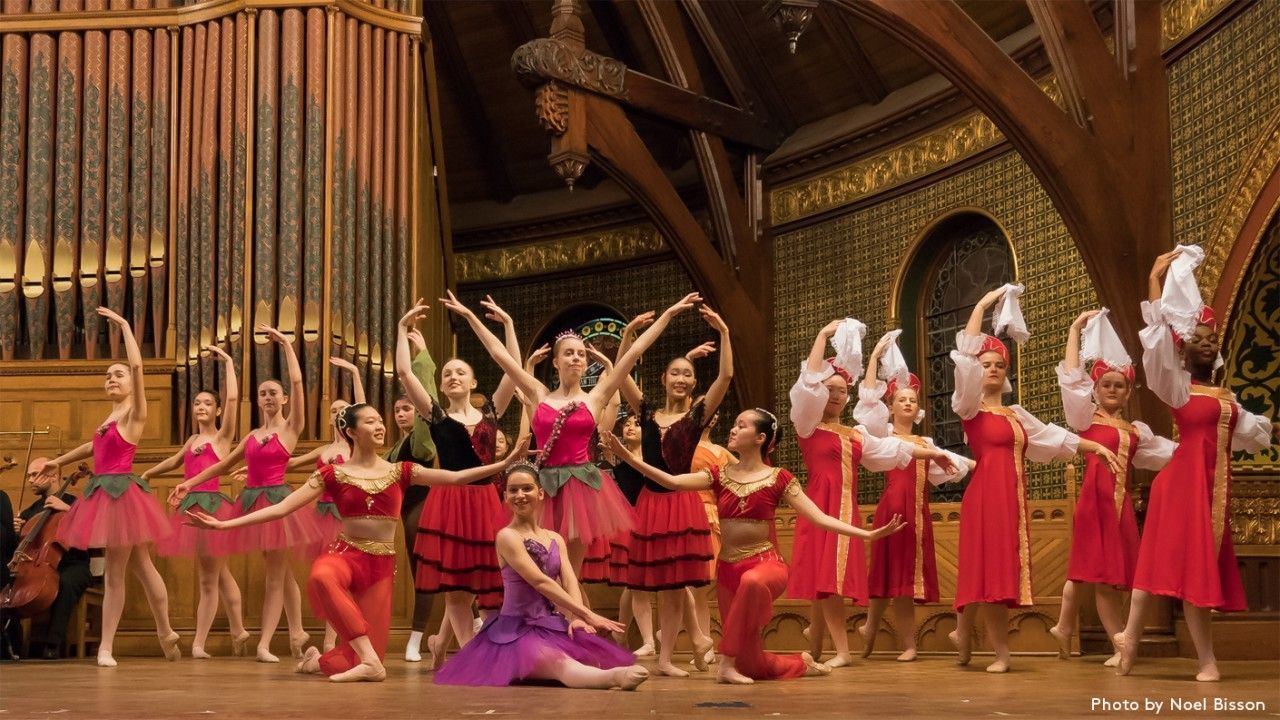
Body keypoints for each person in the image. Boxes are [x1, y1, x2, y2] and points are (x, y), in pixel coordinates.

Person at [187, 403, 529, 682]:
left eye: (381, 420)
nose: (380, 426)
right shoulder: (332, 474)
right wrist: (225, 524)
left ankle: (316, 661)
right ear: (351, 431)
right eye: (370, 421)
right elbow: (281, 509)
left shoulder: (402, 471)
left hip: (380, 567)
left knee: (344, 661)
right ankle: (372, 664)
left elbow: (455, 478)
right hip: (345, 554)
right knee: (322, 576)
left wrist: (506, 462)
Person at [604, 410, 906, 684]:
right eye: (734, 424)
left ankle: (724, 664)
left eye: (741, 425)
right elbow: (672, 482)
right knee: (753, 665)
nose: (733, 430)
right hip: (728, 570)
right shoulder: (718, 475)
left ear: (760, 438)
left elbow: (820, 517)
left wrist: (866, 535)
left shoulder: (779, 478)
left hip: (766, 564)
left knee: (752, 582)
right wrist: (628, 458)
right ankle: (801, 665)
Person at [439, 291, 696, 582]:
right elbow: (500, 355)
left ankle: (574, 624)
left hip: (581, 491)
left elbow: (635, 352)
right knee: (542, 574)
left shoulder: (596, 396)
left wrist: (668, 315)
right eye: (569, 353)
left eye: (581, 354)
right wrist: (471, 317)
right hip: (544, 488)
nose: (576, 358)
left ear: (586, 363)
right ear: (557, 361)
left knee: (569, 575)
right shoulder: (539, 393)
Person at [1117, 249, 1274, 682]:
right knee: (1159, 567)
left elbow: (1251, 430)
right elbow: (1157, 338)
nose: (1208, 342)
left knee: (1195, 575)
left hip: (1211, 489)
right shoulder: (1179, 387)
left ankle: (1204, 657)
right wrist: (1155, 279)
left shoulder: (1227, 399)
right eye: (1198, 338)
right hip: (1181, 486)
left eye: (1212, 338)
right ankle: (1133, 639)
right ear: (1185, 346)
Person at [949, 288, 1120, 673]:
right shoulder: (969, 408)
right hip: (983, 501)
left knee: (993, 573)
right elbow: (963, 357)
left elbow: (1052, 437)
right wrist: (980, 305)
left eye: (999, 365)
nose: (993, 369)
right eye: (987, 363)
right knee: (985, 573)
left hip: (1010, 500)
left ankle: (964, 635)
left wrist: (1094, 448)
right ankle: (998, 652)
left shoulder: (1016, 415)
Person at [788, 320, 961, 669]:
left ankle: (819, 647)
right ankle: (841, 652)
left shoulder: (854, 435)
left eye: (841, 391)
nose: (836, 396)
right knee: (825, 580)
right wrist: (822, 336)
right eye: (830, 389)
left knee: (828, 580)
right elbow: (807, 384)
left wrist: (936, 454)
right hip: (820, 504)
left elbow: (893, 447)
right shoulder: (807, 425)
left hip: (844, 507)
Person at [170, 325, 323, 663]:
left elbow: (298, 384)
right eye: (263, 393)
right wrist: (189, 484)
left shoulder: (291, 427)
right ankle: (296, 632)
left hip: (278, 503)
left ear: (283, 399)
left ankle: (265, 643)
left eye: (273, 393)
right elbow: (220, 466)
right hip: (251, 502)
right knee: (280, 574)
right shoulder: (253, 434)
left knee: (274, 575)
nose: (268, 397)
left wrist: (286, 346)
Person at [38, 307, 178, 667]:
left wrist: (127, 327)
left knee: (118, 571)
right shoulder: (109, 417)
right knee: (143, 566)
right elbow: (93, 447)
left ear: (131, 383)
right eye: (107, 375)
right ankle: (165, 632)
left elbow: (138, 368)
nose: (111, 378)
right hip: (103, 490)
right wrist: (60, 461)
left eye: (117, 374)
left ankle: (106, 647)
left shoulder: (135, 413)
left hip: (121, 495)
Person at [435, 461, 648, 690]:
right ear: (505, 496)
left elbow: (568, 581)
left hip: (551, 624)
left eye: (526, 488)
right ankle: (615, 678)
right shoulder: (507, 536)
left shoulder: (555, 538)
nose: (520, 495)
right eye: (513, 490)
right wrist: (587, 613)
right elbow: (540, 581)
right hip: (515, 633)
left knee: (589, 658)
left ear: (541, 492)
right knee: (561, 666)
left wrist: (576, 617)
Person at [1048, 310, 1175, 666]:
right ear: (1096, 388)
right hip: (1094, 503)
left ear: (1129, 391)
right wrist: (1074, 330)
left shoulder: (1136, 431)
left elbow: (1166, 453)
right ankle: (1121, 645)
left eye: (1119, 385)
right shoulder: (1084, 418)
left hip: (1120, 507)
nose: (1113, 390)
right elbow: (1071, 381)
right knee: (1102, 577)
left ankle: (1066, 626)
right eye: (1106, 384)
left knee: (1112, 574)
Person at [396, 301, 518, 667]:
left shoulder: (492, 410)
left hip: (486, 504)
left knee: (489, 583)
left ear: (473, 382)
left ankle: (441, 644)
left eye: (460, 372)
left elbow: (511, 370)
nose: (452, 377)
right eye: (447, 373)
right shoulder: (434, 414)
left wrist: (508, 324)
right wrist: (402, 329)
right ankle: (471, 657)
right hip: (450, 504)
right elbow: (404, 371)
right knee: (456, 587)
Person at [613, 310, 731, 677]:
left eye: (688, 374)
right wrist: (629, 333)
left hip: (681, 504)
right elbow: (621, 371)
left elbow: (725, 375)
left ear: (694, 383)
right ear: (663, 379)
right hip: (651, 504)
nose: (681, 379)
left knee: (678, 581)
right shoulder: (646, 413)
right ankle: (683, 648)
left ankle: (669, 655)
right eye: (675, 373)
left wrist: (724, 331)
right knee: (663, 583)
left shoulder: (696, 415)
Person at [856, 338, 971, 662]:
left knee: (900, 579)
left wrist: (984, 464)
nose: (907, 403)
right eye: (901, 399)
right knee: (888, 577)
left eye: (911, 400)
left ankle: (888, 636)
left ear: (917, 408)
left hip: (918, 514)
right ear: (890, 405)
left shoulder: (927, 441)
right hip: (892, 510)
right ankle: (890, 636)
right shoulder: (883, 435)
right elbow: (867, 404)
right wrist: (875, 358)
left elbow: (951, 461)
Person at [144, 345, 249, 658]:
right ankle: (239, 630)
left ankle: (199, 643)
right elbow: (175, 461)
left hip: (213, 509)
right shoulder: (191, 440)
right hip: (193, 508)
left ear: (217, 411)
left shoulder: (221, 439)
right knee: (219, 574)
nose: (201, 406)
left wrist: (230, 362)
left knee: (208, 578)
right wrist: (149, 471)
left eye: (207, 403)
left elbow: (232, 400)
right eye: (197, 402)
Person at [386, 325, 440, 663]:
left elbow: (426, 410)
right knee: (420, 569)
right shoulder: (395, 447)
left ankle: (415, 638)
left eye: (407, 408)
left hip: (421, 507)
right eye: (397, 410)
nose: (402, 413)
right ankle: (476, 621)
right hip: (403, 511)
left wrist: (421, 359)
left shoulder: (421, 441)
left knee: (426, 572)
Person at [14, 458, 93, 659]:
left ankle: (52, 644)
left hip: (74, 564)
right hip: (38, 565)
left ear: (53, 476)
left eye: (35, 474)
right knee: (11, 582)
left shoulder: (74, 503)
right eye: (29, 475)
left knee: (65, 584)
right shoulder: (31, 510)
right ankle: (12, 641)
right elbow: (25, 545)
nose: (30, 480)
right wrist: (16, 530)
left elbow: (93, 532)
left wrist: (68, 510)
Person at [603, 413, 656, 657]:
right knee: (636, 583)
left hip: (655, 518)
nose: (630, 428)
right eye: (626, 424)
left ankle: (621, 633)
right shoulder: (614, 457)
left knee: (635, 584)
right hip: (630, 522)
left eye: (636, 424)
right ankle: (648, 641)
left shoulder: (655, 458)